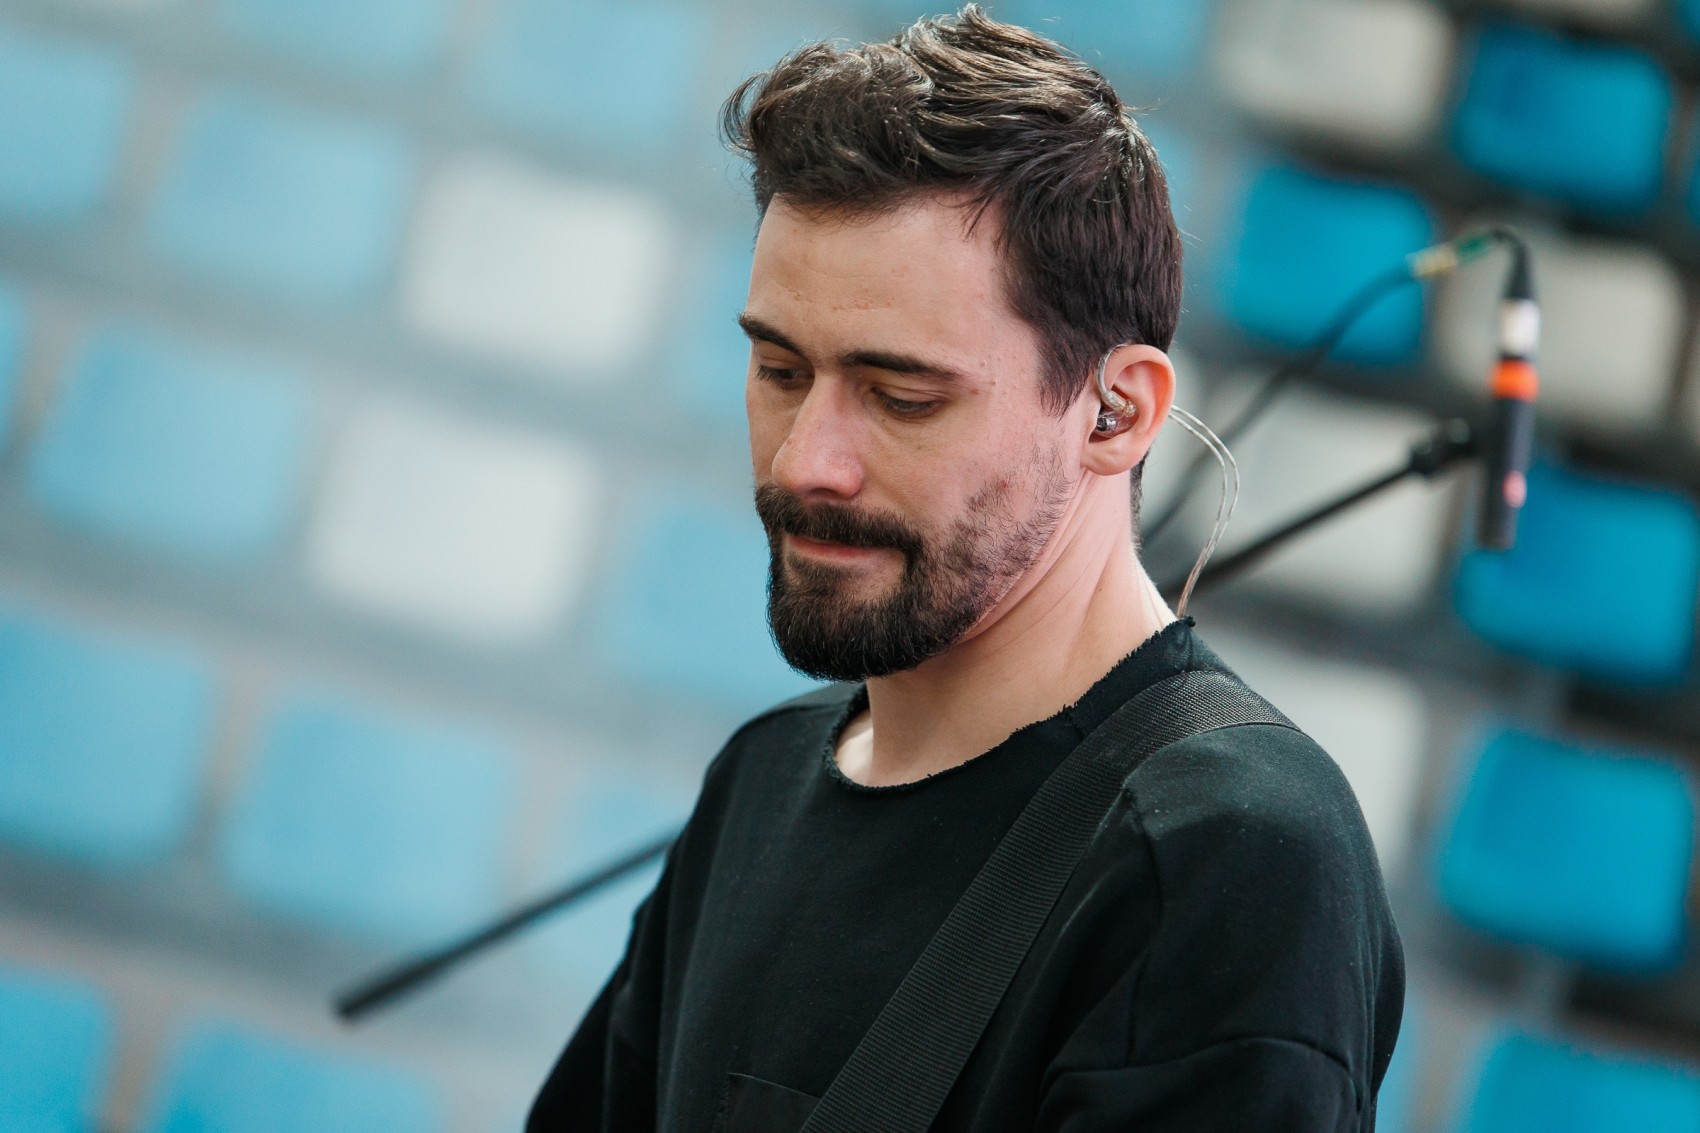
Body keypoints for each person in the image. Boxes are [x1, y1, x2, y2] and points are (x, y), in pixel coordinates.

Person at [527, 7, 1402, 1131]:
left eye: (902, 397)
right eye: (781, 372)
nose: (806, 462)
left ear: (1115, 410)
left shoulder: (1227, 854)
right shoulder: (761, 776)